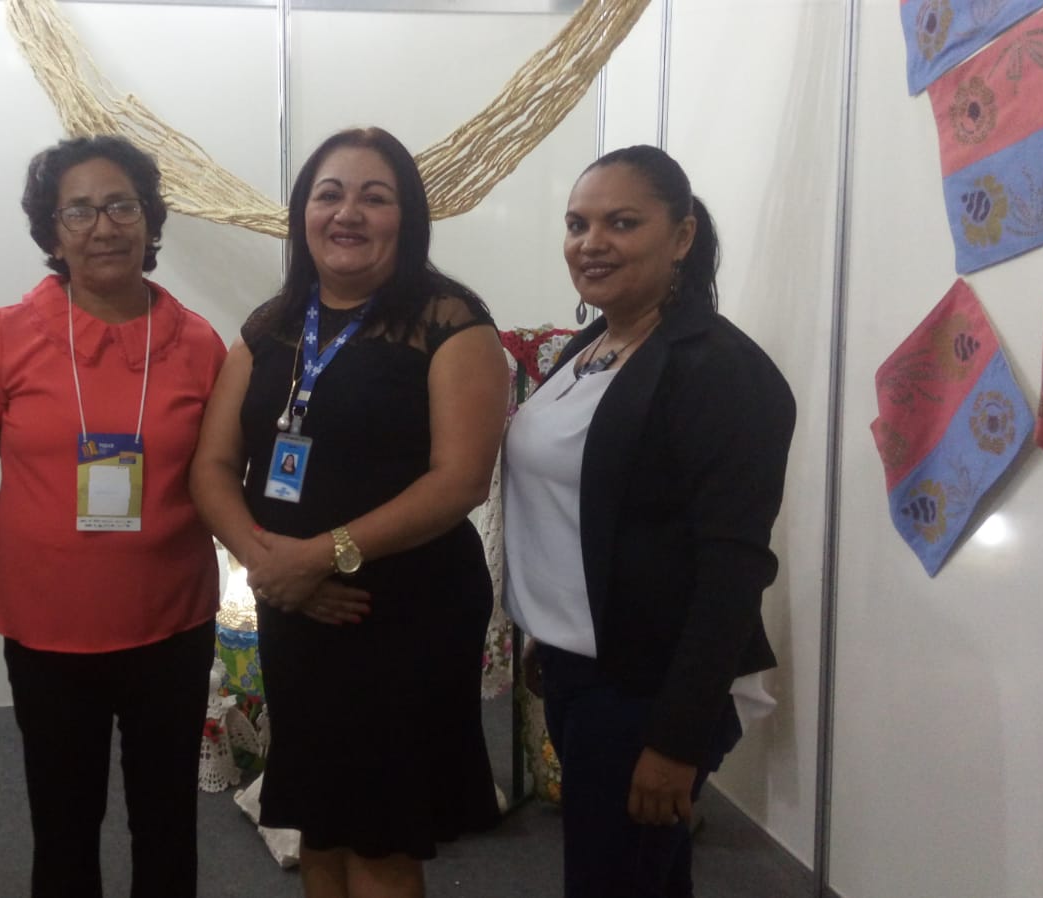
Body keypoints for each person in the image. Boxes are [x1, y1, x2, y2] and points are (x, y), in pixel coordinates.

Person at [191, 126, 509, 897]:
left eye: (376, 197)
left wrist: (315, 556)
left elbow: (460, 480)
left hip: (401, 610)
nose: (348, 213)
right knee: (319, 820)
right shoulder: (271, 325)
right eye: (329, 194)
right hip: (296, 607)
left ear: (409, 217)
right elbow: (212, 466)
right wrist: (269, 565)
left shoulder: (450, 320)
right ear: (303, 212)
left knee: (380, 837)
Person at [502, 145, 795, 897]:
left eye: (622, 223)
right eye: (577, 224)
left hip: (647, 690)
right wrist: (549, 627)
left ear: (683, 236)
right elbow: (590, 510)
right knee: (647, 879)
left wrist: (676, 740)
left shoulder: (720, 370)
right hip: (579, 667)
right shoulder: (592, 347)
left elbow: (733, 570)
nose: (591, 243)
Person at [0, 135, 226, 898]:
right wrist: (30, 554)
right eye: (79, 211)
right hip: (48, 631)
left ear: (149, 219)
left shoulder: (199, 343)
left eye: (121, 206)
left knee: (166, 822)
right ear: (52, 229)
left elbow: (220, 475)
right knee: (64, 826)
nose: (103, 227)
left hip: (171, 621)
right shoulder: (5, 335)